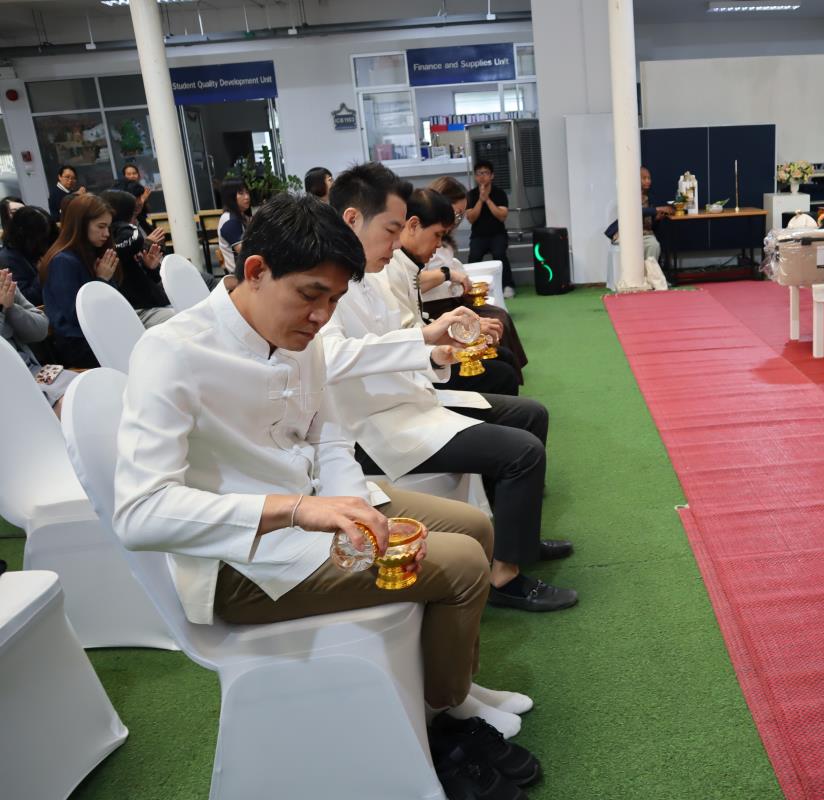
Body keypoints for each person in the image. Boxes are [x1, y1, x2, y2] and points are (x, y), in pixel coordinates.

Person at [112, 194, 540, 797]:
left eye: (334, 301)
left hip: (319, 510)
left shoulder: (300, 335)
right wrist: (297, 509)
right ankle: (442, 714)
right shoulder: (172, 352)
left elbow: (330, 434)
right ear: (256, 270)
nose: (321, 317)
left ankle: (451, 689)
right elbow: (138, 514)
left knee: (475, 527)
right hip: (243, 562)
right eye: (311, 296)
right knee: (465, 564)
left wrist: (350, 509)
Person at [326, 169, 578, 613]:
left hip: (411, 404)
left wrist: (440, 354)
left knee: (530, 414)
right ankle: (504, 577)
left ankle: (517, 541)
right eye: (391, 230)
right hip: (376, 428)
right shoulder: (327, 284)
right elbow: (333, 357)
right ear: (351, 219)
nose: (396, 243)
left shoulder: (366, 277)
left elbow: (394, 344)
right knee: (522, 452)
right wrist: (426, 338)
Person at [384, 188, 522, 395]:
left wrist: (459, 332)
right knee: (503, 374)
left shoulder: (405, 263)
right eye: (437, 235)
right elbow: (406, 337)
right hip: (416, 367)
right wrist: (455, 334)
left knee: (502, 356)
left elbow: (418, 326)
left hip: (425, 352)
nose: (439, 243)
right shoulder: (388, 267)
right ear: (412, 225)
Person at [427, 175, 529, 381]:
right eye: (456, 214)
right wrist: (450, 274)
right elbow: (419, 279)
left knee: (499, 318)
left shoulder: (441, 238)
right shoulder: (415, 247)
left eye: (460, 216)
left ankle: (501, 362)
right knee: (496, 322)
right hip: (438, 310)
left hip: (452, 303)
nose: (457, 221)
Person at [39, 194, 119, 368]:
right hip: (77, 343)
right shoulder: (63, 261)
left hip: (95, 335)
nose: (106, 234)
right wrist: (102, 280)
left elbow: (113, 302)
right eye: (101, 226)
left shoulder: (89, 253)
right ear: (81, 224)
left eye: (108, 227)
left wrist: (104, 279)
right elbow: (77, 316)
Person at [1, 269, 76, 414]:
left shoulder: (3, 283)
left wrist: (10, 307)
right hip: (8, 389)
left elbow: (41, 330)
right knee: (73, 409)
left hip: (34, 372)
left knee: (93, 388)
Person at [99, 189, 174, 327]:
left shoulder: (121, 238)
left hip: (153, 302)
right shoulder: (121, 236)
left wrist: (150, 267)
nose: (135, 219)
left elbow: (151, 279)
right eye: (133, 214)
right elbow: (135, 238)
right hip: (139, 309)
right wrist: (145, 242)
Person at [465, 160, 514, 297]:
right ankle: (471, 288)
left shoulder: (500, 193)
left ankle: (507, 285)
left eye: (486, 173)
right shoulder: (471, 195)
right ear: (475, 176)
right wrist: (480, 200)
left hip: (497, 234)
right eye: (479, 173)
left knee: (499, 254)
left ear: (492, 175)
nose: (482, 176)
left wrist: (487, 199)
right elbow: (471, 218)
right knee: (474, 257)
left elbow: (502, 216)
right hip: (478, 235)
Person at [604, 166, 673, 262]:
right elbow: (636, 211)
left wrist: (656, 219)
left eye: (649, 178)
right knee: (630, 249)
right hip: (628, 233)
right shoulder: (628, 196)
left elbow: (649, 223)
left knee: (654, 245)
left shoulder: (650, 197)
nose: (648, 181)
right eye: (644, 178)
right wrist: (657, 209)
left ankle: (649, 271)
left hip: (645, 234)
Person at [0, 205, 55, 306]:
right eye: (40, 237)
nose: (43, 243)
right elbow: (27, 299)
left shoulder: (34, 250)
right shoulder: (8, 260)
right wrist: (42, 272)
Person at [217, 178, 252, 274]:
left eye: (247, 192)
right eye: (241, 193)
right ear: (230, 197)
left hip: (247, 270)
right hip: (240, 275)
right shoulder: (230, 221)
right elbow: (245, 252)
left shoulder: (241, 216)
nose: (247, 197)